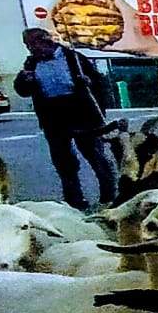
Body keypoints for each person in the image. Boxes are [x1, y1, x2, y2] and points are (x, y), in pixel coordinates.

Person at [15, 28, 117, 209]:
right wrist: (24, 81)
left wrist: (89, 84)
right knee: (63, 162)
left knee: (95, 155)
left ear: (46, 41)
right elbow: (22, 90)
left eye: (33, 44)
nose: (31, 49)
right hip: (52, 115)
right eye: (27, 46)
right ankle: (74, 200)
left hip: (80, 111)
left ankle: (109, 195)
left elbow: (100, 84)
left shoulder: (74, 58)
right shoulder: (31, 63)